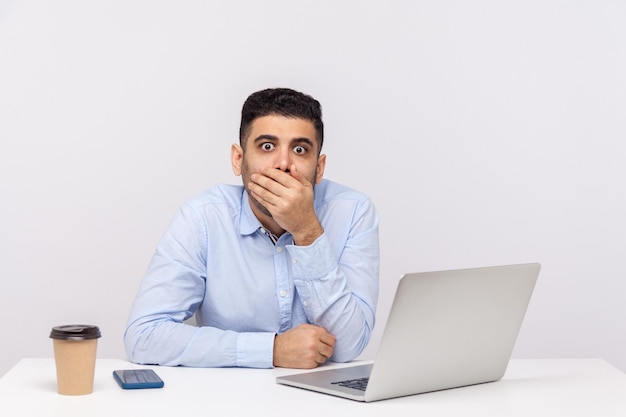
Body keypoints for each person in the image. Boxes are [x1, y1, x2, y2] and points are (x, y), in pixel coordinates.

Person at [124, 87, 379, 369]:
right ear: (238, 159)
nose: (283, 164)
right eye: (267, 146)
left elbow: (349, 345)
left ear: (319, 168)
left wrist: (307, 231)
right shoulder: (202, 218)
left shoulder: (354, 211)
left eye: (299, 149)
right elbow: (144, 336)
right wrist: (271, 350)